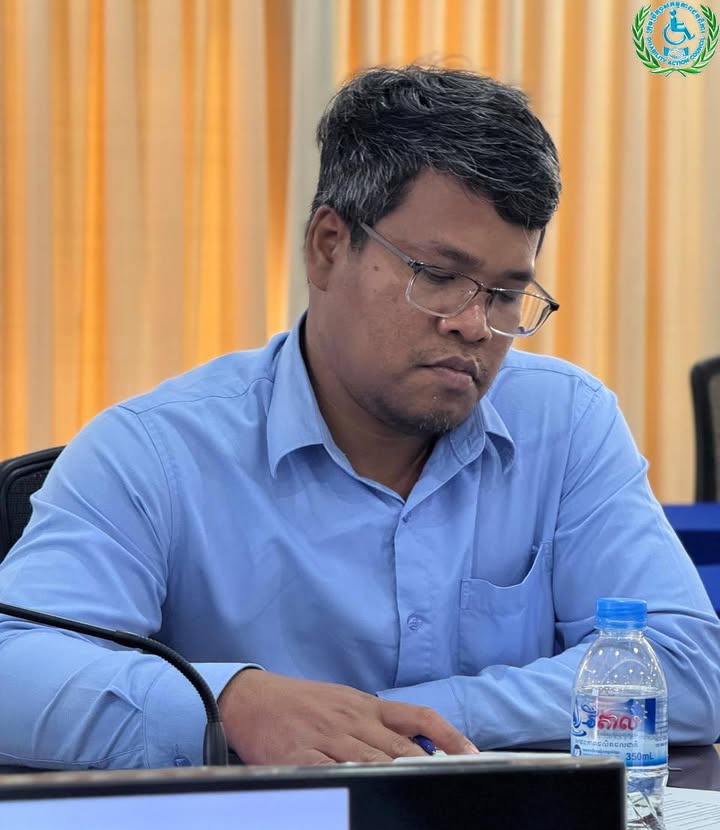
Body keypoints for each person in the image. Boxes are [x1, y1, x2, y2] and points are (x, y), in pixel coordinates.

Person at [0, 65, 718, 770]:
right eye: (439, 276)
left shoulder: (565, 421)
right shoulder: (156, 450)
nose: (474, 325)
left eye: (505, 294)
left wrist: (390, 721)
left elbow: (684, 665)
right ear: (328, 247)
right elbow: (14, 666)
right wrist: (232, 706)